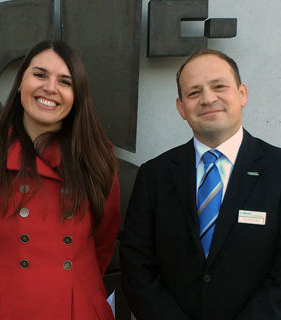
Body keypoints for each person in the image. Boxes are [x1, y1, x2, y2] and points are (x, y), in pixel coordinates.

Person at [0, 40, 120, 319]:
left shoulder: (97, 160)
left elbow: (103, 242)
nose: (50, 88)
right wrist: (3, 291)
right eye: (40, 75)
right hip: (6, 309)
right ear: (20, 82)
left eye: (65, 82)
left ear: (76, 94)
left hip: (77, 308)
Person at [120, 48, 281, 319]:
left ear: (242, 94)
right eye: (194, 93)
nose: (208, 99)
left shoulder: (277, 169)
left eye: (219, 86)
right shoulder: (154, 175)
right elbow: (137, 268)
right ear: (181, 107)